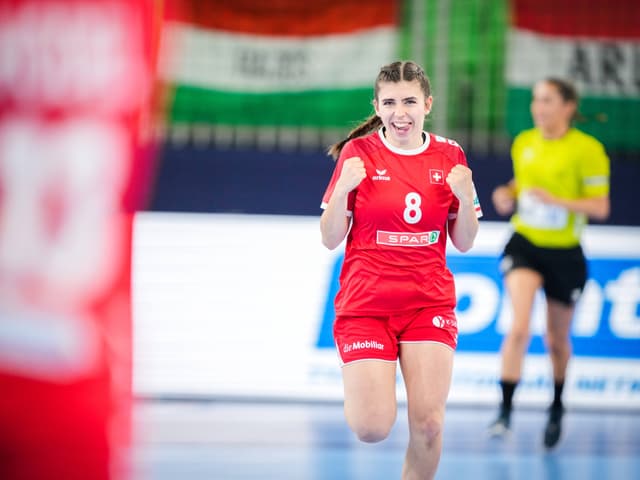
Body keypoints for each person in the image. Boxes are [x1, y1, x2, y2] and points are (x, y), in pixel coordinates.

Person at [320, 60, 482, 480]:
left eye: (409, 101)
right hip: (366, 305)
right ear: (377, 105)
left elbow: (463, 241)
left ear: (427, 103)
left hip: (427, 303)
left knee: (429, 425)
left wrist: (465, 199)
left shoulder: (450, 155)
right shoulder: (359, 155)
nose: (400, 113)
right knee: (371, 427)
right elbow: (330, 237)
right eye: (389, 103)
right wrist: (342, 191)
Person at [489, 78, 610, 449]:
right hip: (525, 243)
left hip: (565, 252)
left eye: (547, 101)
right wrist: (506, 193)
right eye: (535, 101)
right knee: (519, 328)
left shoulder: (588, 150)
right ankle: (504, 412)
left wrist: (557, 200)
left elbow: (600, 206)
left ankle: (557, 406)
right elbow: (520, 184)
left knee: (557, 339)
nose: (538, 108)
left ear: (568, 107)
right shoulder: (525, 141)